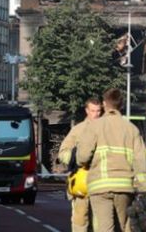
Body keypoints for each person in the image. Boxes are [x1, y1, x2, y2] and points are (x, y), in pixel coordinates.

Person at [76, 88, 146, 232]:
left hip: (100, 186)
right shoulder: (132, 129)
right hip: (124, 187)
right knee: (124, 227)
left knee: (104, 228)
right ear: (121, 105)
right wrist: (144, 189)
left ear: (104, 104)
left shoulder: (95, 126)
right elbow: (141, 161)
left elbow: (82, 157)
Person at [58, 96, 102, 232]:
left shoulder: (106, 129)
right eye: (93, 111)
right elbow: (63, 152)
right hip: (81, 182)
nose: (95, 114)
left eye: (98, 111)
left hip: (100, 182)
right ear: (86, 111)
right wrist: (74, 159)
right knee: (80, 219)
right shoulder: (78, 130)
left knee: (100, 221)